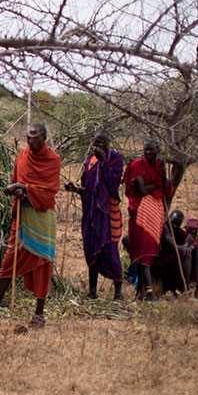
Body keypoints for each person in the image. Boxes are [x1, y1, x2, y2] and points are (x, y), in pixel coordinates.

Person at [0, 123, 61, 328]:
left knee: (43, 262)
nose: (31, 141)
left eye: (35, 138)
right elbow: (16, 181)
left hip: (42, 218)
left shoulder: (53, 160)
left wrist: (22, 187)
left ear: (44, 138)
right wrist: (18, 191)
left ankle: (39, 314)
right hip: (23, 216)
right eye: (28, 137)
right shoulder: (22, 156)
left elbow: (49, 191)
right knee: (8, 263)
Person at [65, 128, 125, 299]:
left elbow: (113, 185)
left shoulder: (114, 158)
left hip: (107, 212)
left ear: (107, 143)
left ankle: (118, 292)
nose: (97, 145)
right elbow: (89, 189)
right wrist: (75, 189)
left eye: (101, 142)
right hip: (91, 214)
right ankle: (92, 291)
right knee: (91, 250)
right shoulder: (89, 161)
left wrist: (104, 162)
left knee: (110, 250)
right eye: (95, 142)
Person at [124, 140, 178, 301]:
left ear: (158, 151)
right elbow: (142, 189)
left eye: (152, 150)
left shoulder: (158, 168)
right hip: (140, 211)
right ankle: (141, 294)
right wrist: (156, 184)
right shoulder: (137, 165)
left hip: (152, 215)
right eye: (146, 149)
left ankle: (150, 294)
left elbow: (168, 188)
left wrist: (161, 174)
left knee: (145, 253)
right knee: (140, 254)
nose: (149, 152)